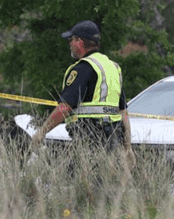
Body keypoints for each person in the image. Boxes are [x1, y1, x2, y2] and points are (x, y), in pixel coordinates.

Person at [27, 20, 134, 165]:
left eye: (71, 40)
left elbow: (65, 107)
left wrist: (41, 133)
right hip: (113, 141)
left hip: (89, 139)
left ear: (79, 41)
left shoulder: (83, 68)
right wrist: (128, 148)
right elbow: (123, 113)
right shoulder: (112, 68)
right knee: (106, 177)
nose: (69, 44)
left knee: (77, 175)